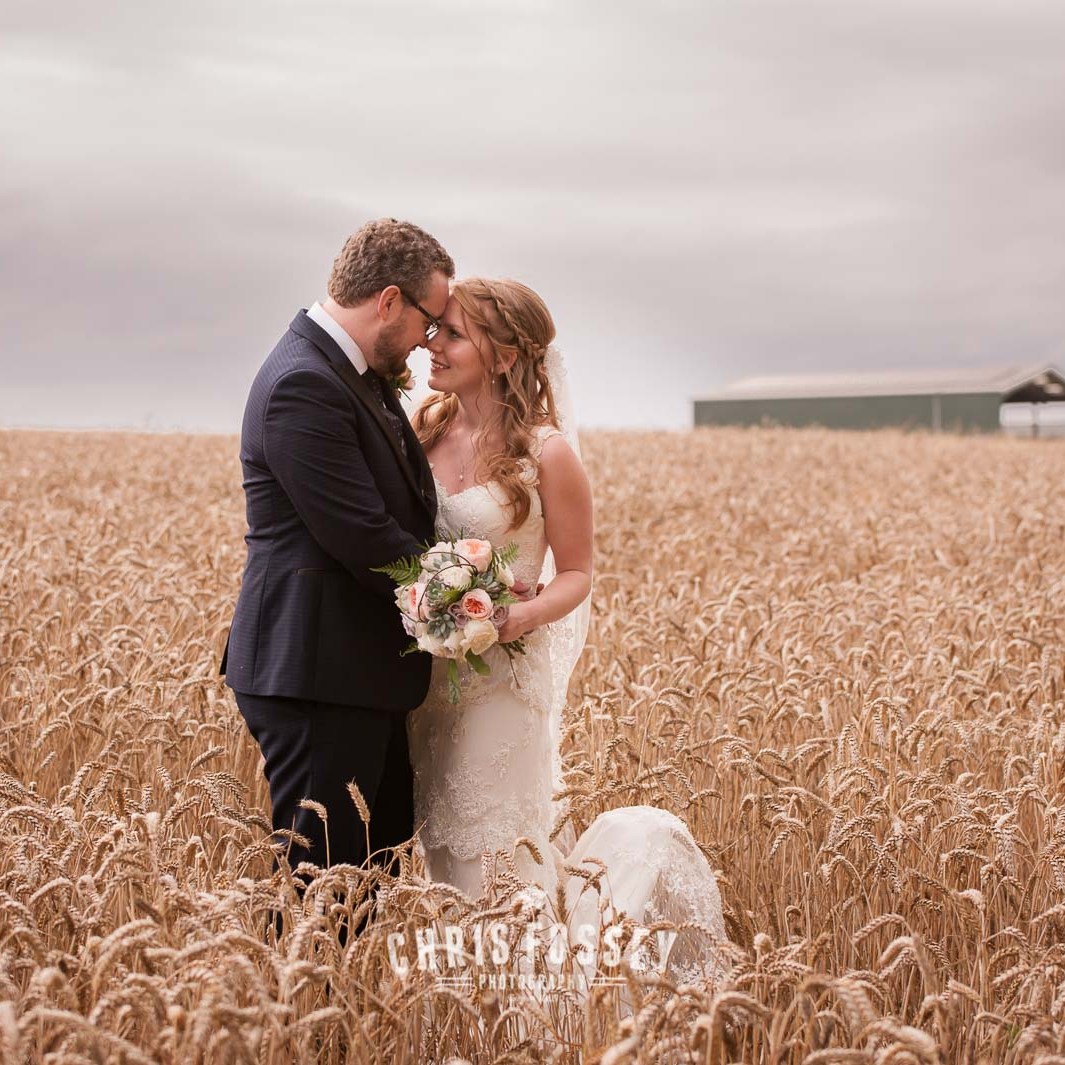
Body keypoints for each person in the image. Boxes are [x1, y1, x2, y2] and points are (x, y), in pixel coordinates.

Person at [406, 279, 727, 978]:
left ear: (504, 355)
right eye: (433, 330)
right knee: (440, 854)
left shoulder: (547, 452)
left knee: (494, 852)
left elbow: (577, 572)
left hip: (500, 687)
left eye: (452, 333)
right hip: (425, 681)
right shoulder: (421, 430)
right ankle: (463, 1015)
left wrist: (518, 614)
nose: (432, 343)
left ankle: (524, 1018)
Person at [221, 218, 452, 879]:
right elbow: (364, 536)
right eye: (427, 320)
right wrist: (472, 600)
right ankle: (302, 990)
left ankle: (349, 990)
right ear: (388, 301)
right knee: (320, 892)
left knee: (368, 882)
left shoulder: (352, 371)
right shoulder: (305, 382)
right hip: (317, 674)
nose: (426, 339)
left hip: (353, 671)